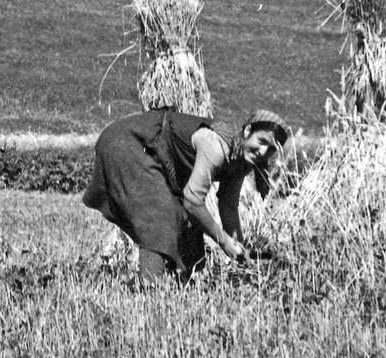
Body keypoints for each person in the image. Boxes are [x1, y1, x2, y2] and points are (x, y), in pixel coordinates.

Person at [83, 108, 290, 281]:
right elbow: (193, 201)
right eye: (261, 141)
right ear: (246, 132)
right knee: (160, 216)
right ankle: (151, 291)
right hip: (129, 142)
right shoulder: (216, 146)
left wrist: (240, 252)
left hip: (157, 158)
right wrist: (223, 241)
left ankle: (179, 285)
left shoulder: (243, 161)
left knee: (187, 224)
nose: (263, 152)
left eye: (271, 149)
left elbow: (228, 207)